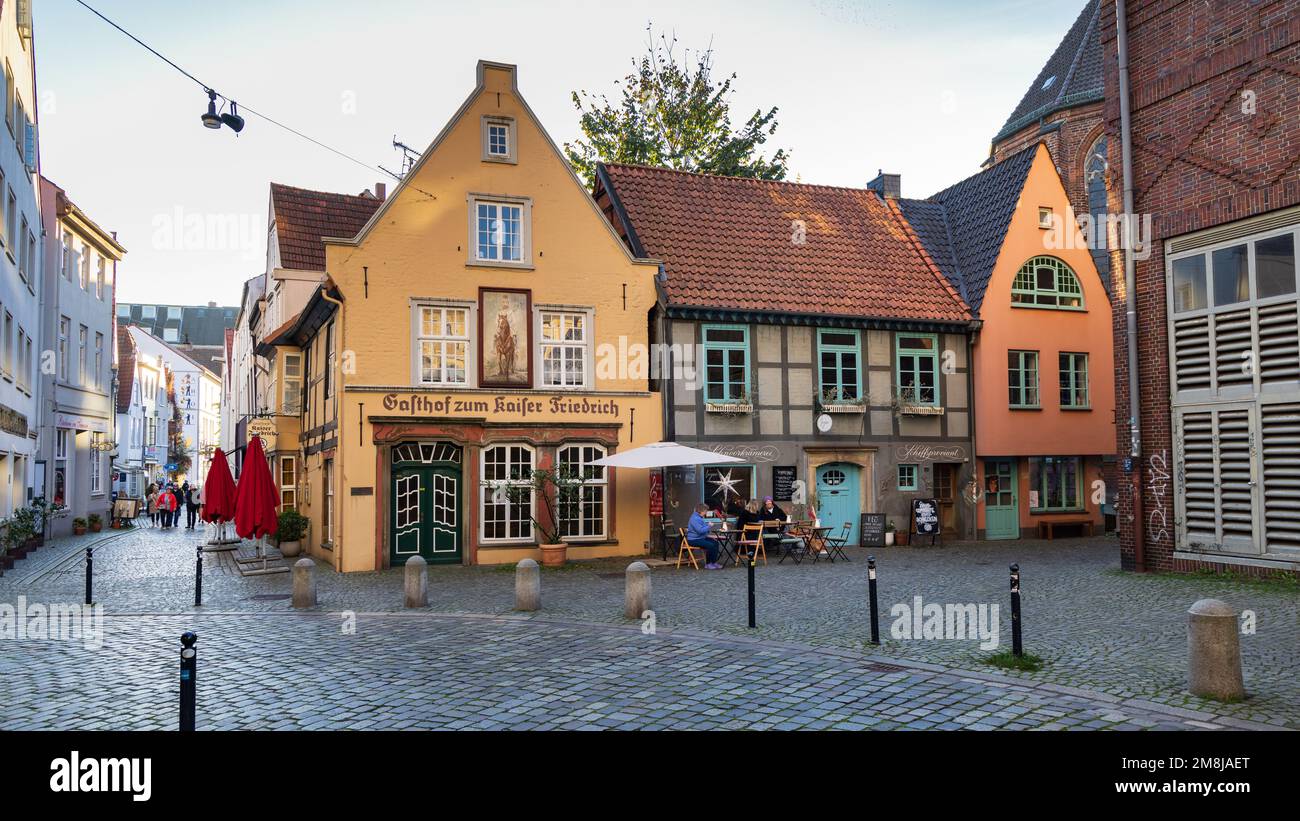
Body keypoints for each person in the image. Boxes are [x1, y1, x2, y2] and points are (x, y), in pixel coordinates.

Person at [686, 503, 723, 570]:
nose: (706, 513)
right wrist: (709, 526)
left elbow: (703, 529)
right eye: (705, 511)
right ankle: (708, 564)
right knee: (710, 545)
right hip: (694, 540)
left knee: (716, 543)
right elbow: (700, 531)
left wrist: (707, 528)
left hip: (700, 538)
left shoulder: (699, 518)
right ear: (701, 511)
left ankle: (713, 562)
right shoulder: (695, 519)